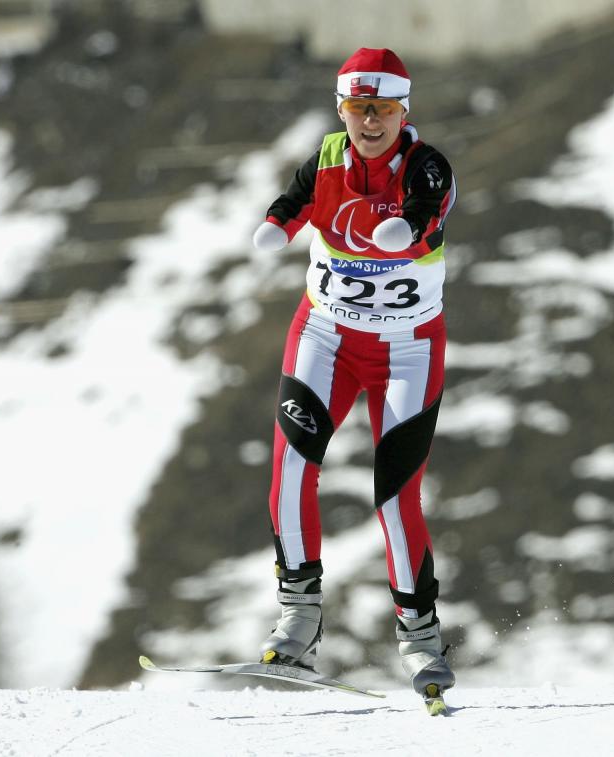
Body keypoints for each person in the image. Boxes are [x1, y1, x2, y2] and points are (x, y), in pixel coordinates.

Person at [250, 47, 457, 701]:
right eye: (359, 108)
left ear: (403, 110)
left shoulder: (425, 165)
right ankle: (298, 614)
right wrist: (276, 226)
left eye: (384, 109)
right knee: (289, 469)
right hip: (326, 336)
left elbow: (431, 210)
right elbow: (296, 197)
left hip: (406, 349)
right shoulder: (331, 154)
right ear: (343, 108)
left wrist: (410, 227)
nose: (370, 121)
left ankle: (420, 639)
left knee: (395, 496)